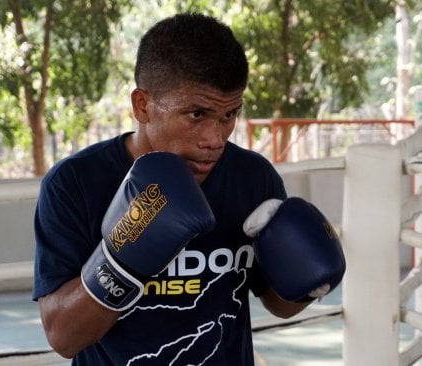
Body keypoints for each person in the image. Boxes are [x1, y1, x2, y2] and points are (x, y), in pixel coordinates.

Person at [33, 13, 345, 365]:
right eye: (196, 114)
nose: (215, 140)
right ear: (142, 106)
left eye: (229, 116)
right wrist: (119, 262)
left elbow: (278, 302)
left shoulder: (252, 177)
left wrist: (311, 279)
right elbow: (63, 337)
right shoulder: (75, 182)